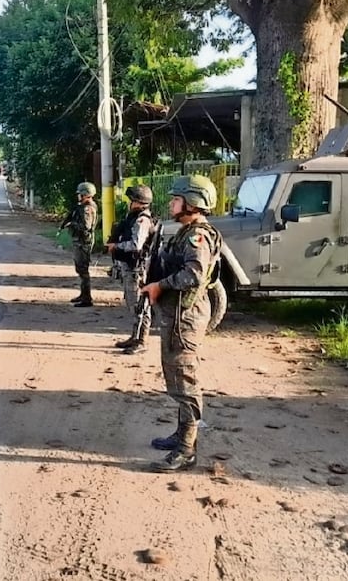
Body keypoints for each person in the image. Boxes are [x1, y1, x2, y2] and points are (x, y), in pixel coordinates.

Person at [139, 175, 222, 473]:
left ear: (192, 202)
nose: (171, 203)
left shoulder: (197, 236)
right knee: (175, 375)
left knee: (185, 379)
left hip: (185, 319)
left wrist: (161, 285)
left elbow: (194, 275)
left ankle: (187, 449)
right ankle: (181, 435)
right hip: (176, 317)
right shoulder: (185, 232)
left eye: (176, 199)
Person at [105, 185, 157, 354]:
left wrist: (116, 246)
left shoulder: (142, 220)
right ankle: (134, 337)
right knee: (132, 304)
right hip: (130, 267)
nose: (130, 203)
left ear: (140, 202)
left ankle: (141, 341)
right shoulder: (134, 218)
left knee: (140, 305)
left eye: (132, 200)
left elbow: (136, 245)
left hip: (137, 270)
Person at [61, 181, 98, 307]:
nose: (79, 196)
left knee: (83, 270)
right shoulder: (82, 207)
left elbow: (85, 227)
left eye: (81, 194)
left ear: (86, 195)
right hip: (80, 241)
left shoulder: (87, 209)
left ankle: (87, 298)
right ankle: (83, 294)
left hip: (83, 242)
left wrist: (72, 224)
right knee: (80, 269)